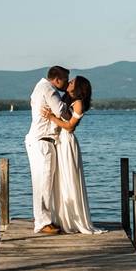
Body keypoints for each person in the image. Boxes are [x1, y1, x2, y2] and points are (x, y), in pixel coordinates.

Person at [41, 76, 104, 234]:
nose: (68, 83)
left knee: (69, 177)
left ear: (78, 88)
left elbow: (69, 127)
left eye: (72, 82)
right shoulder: (66, 100)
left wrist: (52, 118)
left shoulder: (78, 104)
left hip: (67, 142)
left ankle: (74, 220)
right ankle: (62, 218)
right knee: (60, 179)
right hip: (59, 141)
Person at [25, 66, 70, 234]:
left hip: (37, 141)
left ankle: (44, 219)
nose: (66, 83)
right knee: (43, 182)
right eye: (65, 80)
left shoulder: (39, 87)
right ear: (57, 79)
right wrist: (68, 104)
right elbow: (62, 112)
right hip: (43, 141)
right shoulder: (49, 89)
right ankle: (43, 222)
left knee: (41, 182)